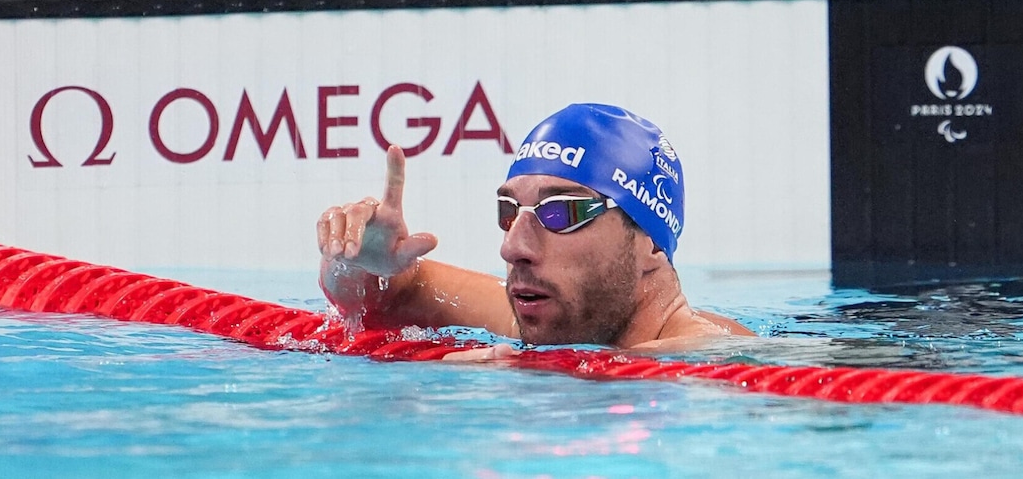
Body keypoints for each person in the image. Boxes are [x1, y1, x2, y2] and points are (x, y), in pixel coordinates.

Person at [316, 103, 754, 352]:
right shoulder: (568, 313)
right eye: (510, 210)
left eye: (561, 212)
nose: (513, 248)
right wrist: (356, 261)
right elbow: (393, 294)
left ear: (651, 244)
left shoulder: (716, 358)